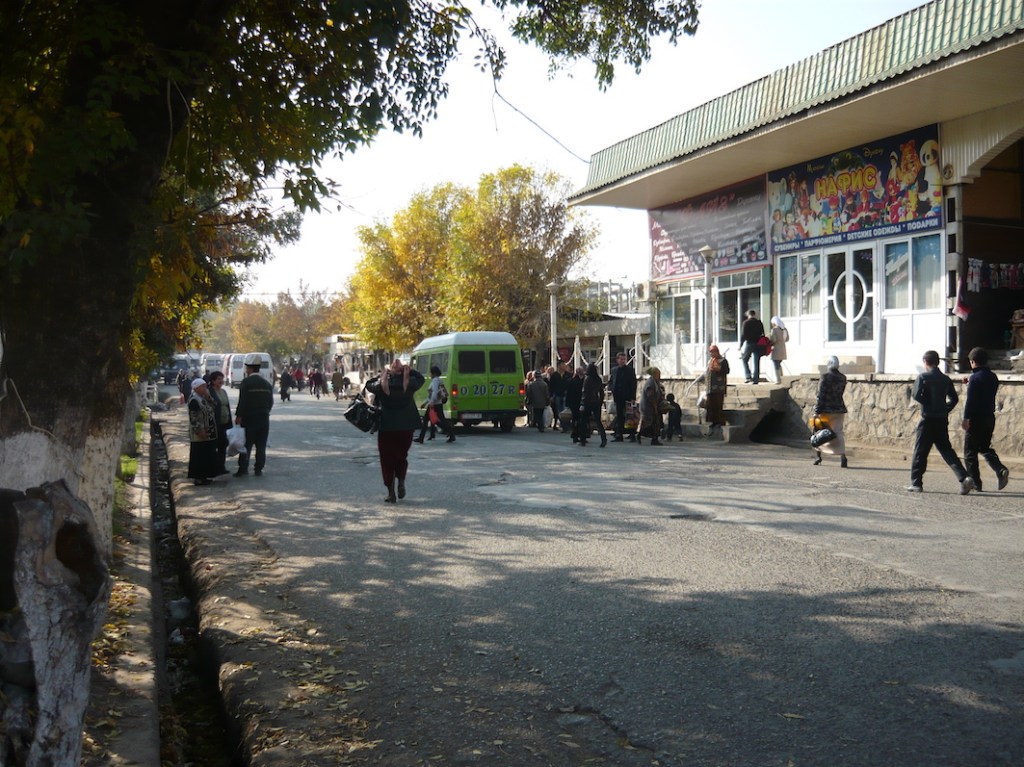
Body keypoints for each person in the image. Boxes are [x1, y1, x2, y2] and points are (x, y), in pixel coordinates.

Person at [907, 350, 973, 494]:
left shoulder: (923, 377)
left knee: (920, 451)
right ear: (937, 362)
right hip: (941, 420)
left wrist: (928, 404)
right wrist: (944, 408)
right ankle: (964, 477)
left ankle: (916, 483)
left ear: (925, 362)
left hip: (927, 420)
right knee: (947, 450)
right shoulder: (945, 379)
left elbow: (916, 395)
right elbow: (954, 399)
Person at [365, 359, 425, 502]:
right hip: (406, 428)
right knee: (401, 456)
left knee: (387, 459)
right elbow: (421, 378)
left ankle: (391, 492)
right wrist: (408, 371)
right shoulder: (410, 384)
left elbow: (368, 384)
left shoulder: (381, 385)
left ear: (390, 370)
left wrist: (383, 374)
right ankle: (401, 481)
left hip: (387, 427)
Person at [961, 347, 1010, 492]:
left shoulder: (975, 378)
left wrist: (966, 418)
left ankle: (975, 482)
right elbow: (983, 390)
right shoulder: (993, 377)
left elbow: (971, 400)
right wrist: (970, 382)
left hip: (976, 418)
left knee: (970, 452)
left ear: (973, 362)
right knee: (984, 447)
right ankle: (1000, 469)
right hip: (989, 417)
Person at [234, 353, 275, 477]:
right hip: (264, 418)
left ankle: (243, 469)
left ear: (250, 369)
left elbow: (242, 401)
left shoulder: (246, 382)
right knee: (261, 446)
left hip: (249, 419)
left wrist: (239, 416)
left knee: (246, 445)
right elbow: (270, 402)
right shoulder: (266, 384)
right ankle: (258, 469)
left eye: (246, 368)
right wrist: (265, 411)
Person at [813, 356, 849, 468]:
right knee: (838, 432)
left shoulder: (825, 377)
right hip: (839, 408)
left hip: (826, 409)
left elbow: (821, 395)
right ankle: (843, 456)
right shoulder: (843, 378)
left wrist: (817, 411)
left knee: (820, 431)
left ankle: (818, 457)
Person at [186, 378, 219, 486]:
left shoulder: (203, 398)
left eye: (205, 386)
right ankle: (198, 478)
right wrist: (199, 431)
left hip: (208, 432)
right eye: (203, 387)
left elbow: (214, 406)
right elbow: (193, 418)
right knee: (199, 455)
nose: (205, 389)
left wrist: (209, 397)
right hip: (199, 433)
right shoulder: (194, 400)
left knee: (206, 454)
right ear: (196, 388)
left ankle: (205, 476)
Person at [414, 365, 455, 444]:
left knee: (429, 420)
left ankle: (421, 438)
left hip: (435, 404)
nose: (429, 374)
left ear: (434, 373)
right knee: (438, 420)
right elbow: (432, 394)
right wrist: (425, 403)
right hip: (437, 403)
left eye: (430, 372)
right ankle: (450, 434)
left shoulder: (435, 381)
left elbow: (434, 392)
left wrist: (431, 402)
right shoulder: (439, 380)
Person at [698, 345, 730, 435]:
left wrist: (719, 368)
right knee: (710, 405)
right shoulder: (710, 361)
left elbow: (726, 371)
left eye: (713, 352)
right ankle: (713, 422)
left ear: (717, 352)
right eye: (711, 352)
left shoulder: (723, 361)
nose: (712, 354)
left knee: (718, 405)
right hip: (710, 388)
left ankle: (719, 421)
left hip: (719, 388)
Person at [609, 352, 638, 442]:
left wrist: (633, 397)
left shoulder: (630, 370)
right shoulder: (614, 370)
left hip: (628, 396)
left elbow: (633, 384)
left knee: (630, 416)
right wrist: (612, 389)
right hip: (618, 397)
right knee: (619, 416)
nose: (622, 361)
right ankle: (619, 435)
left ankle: (632, 435)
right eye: (621, 359)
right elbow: (611, 381)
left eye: (624, 359)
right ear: (617, 360)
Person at [208, 371, 232, 475]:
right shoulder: (209, 392)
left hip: (224, 422)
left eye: (222, 379)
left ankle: (221, 467)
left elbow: (227, 406)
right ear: (213, 381)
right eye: (219, 379)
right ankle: (213, 468)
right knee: (214, 446)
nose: (221, 381)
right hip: (214, 424)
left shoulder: (223, 391)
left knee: (223, 445)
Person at [578, 363, 608, 447]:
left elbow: (585, 392)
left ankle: (582, 440)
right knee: (598, 421)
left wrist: (582, 403)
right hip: (596, 402)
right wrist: (600, 402)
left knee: (584, 421)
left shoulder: (587, 379)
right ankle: (603, 438)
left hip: (587, 402)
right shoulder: (598, 379)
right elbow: (601, 392)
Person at [636, 367, 664, 446]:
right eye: (658, 374)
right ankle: (640, 435)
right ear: (654, 374)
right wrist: (655, 407)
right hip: (648, 407)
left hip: (652, 406)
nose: (659, 376)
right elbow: (650, 396)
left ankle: (654, 438)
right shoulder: (650, 383)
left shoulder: (655, 382)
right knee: (649, 422)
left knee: (654, 422)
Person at [740, 309, 765, 384]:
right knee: (756, 362)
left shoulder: (746, 323)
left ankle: (748, 376)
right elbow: (762, 333)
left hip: (749, 343)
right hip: (758, 343)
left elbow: (743, 335)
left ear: (748, 315)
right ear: (754, 314)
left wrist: (741, 345)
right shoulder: (759, 323)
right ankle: (756, 379)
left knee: (744, 359)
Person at [564, 365, 586, 443]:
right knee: (578, 419)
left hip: (575, 403)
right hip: (578, 403)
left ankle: (576, 434)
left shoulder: (572, 381)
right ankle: (577, 434)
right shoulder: (582, 381)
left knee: (576, 419)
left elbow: (568, 393)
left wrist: (567, 403)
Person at [769, 316, 789, 383]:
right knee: (779, 364)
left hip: (776, 349)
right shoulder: (784, 329)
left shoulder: (774, 330)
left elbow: (773, 340)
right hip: (783, 349)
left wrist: (769, 341)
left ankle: (778, 379)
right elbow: (787, 339)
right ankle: (782, 378)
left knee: (776, 364)